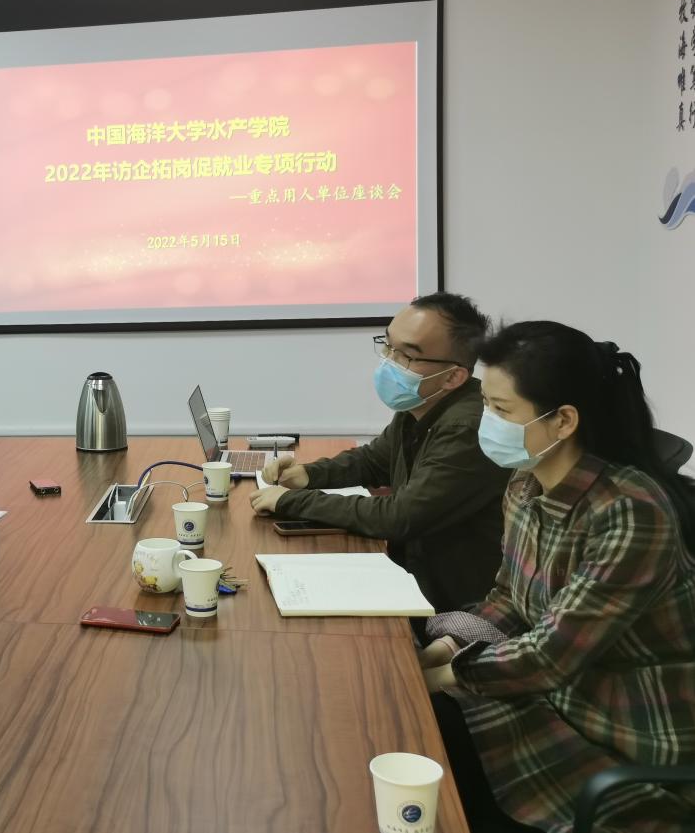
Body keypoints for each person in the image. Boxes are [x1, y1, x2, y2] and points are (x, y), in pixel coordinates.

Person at [420, 321, 695, 833]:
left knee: (437, 735)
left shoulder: (629, 511)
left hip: (625, 728)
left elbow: (552, 654)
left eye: (502, 410)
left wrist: (442, 677)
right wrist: (445, 647)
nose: (487, 421)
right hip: (556, 693)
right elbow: (509, 599)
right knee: (429, 729)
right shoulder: (525, 484)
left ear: (564, 421)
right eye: (486, 404)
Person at [250, 292, 509, 613]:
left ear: (453, 376)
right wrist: (308, 474)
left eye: (407, 355)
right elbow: (374, 460)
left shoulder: (467, 428)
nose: (389, 361)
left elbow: (400, 517)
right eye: (388, 346)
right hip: (411, 580)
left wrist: (292, 501)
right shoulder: (422, 403)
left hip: (451, 605)